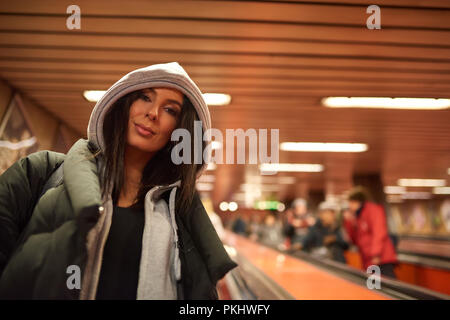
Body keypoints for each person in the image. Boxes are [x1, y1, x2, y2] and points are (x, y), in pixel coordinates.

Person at [0, 62, 237, 299]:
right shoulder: (39, 174)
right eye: (145, 97)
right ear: (125, 104)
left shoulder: (183, 222)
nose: (152, 113)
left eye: (170, 110)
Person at [343, 187, 397, 278]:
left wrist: (376, 254)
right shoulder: (357, 217)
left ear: (358, 202)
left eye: (351, 203)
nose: (349, 206)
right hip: (368, 259)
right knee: (374, 287)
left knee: (387, 285)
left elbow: (379, 232)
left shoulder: (373, 210)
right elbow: (354, 240)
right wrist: (349, 222)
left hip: (381, 258)